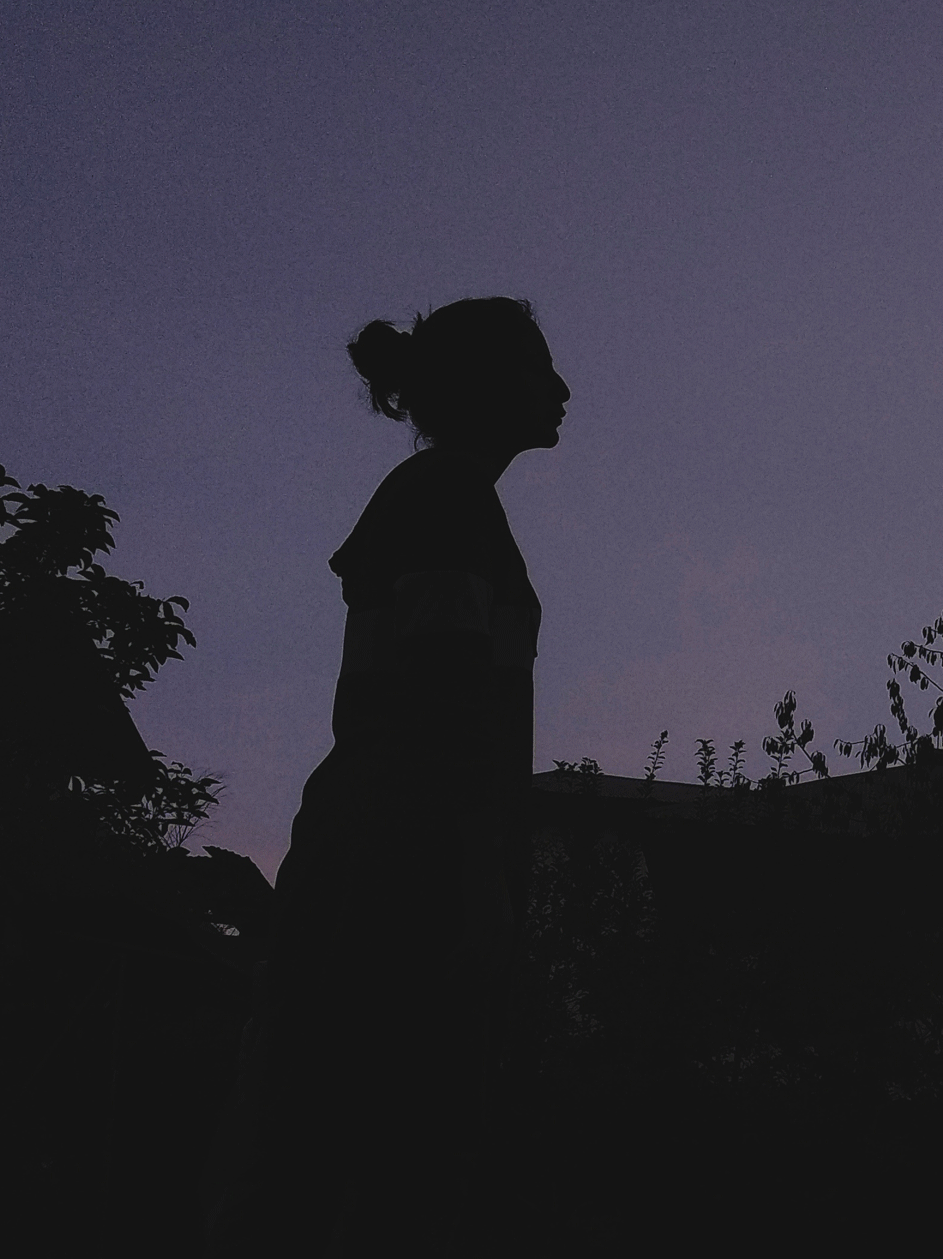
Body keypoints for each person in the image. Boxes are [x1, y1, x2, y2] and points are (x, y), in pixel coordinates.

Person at [208, 297, 569, 1254]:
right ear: (491, 388)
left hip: (382, 858)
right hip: (401, 872)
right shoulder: (449, 500)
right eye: (541, 371)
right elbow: (441, 694)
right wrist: (473, 878)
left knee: (321, 1161)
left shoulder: (442, 499)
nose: (563, 391)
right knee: (381, 1170)